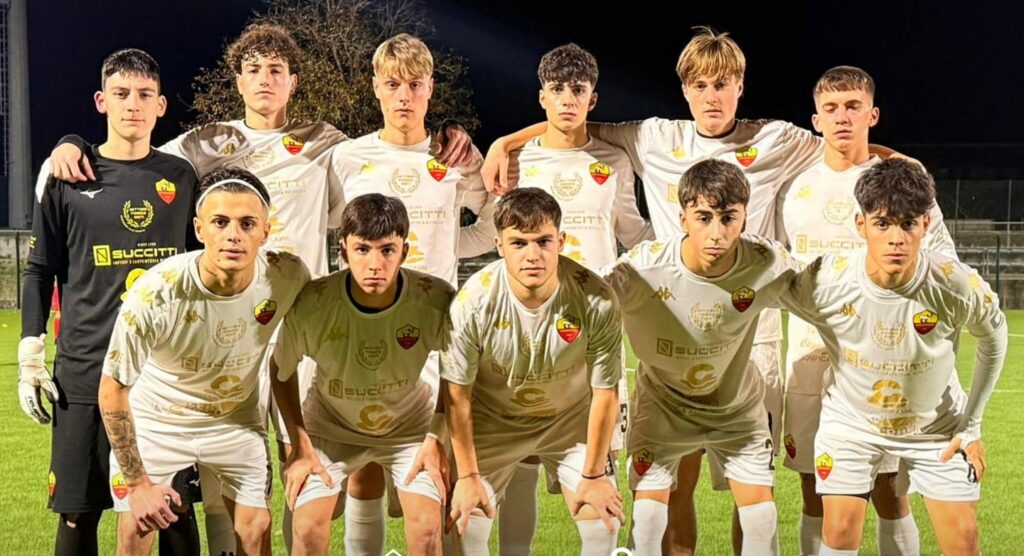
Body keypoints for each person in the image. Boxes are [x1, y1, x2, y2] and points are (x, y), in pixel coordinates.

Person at [47, 25, 476, 553]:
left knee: (305, 463)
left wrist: (446, 134)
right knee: (228, 465)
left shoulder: (327, 143)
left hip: (308, 321)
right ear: (238, 80)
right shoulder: (207, 142)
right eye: (253, 70)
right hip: (236, 321)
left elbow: (387, 173)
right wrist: (71, 146)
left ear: (293, 81)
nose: (265, 80)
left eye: (276, 70)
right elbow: (135, 152)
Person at [18, 48, 199, 556]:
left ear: (161, 105)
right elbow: (39, 269)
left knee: (174, 507)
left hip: (163, 372)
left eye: (144, 94)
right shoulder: (66, 175)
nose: (132, 105)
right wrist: (30, 354)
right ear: (102, 101)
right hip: (84, 369)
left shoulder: (181, 176)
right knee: (78, 512)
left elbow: (198, 269)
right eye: (121, 94)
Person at [782, 159, 1007, 555]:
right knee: (839, 529)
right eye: (883, 223)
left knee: (964, 538)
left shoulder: (956, 283)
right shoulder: (826, 280)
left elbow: (995, 339)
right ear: (861, 225)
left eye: (908, 224)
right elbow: (762, 288)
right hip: (851, 424)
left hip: (937, 425)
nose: (896, 239)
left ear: (926, 225)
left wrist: (972, 425)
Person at [777, 65, 959, 555]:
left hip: (883, 357)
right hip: (809, 354)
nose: (842, 117)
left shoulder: (901, 178)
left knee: (889, 490)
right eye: (831, 108)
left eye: (853, 106)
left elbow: (944, 261)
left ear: (872, 115)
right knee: (815, 487)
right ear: (816, 120)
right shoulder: (792, 185)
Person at [327, 33, 495, 554]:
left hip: (435, 339)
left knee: (436, 477)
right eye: (393, 84)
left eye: (415, 85)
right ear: (376, 87)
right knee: (364, 472)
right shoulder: (347, 158)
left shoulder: (455, 157)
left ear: (430, 89)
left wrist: (451, 247)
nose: (404, 95)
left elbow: (491, 226)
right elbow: (327, 231)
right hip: (361, 332)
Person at [98, 168, 309, 556]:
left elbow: (290, 358)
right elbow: (112, 389)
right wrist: (139, 485)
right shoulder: (156, 293)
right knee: (135, 530)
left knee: (256, 529)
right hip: (159, 421)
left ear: (266, 231)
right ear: (199, 229)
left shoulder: (288, 276)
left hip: (235, 420)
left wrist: (302, 443)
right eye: (220, 222)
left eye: (247, 224)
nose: (234, 235)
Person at [493, 42, 652, 554]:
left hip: (595, 334)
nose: (567, 99)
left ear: (593, 98)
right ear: (542, 97)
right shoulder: (517, 163)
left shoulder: (614, 161)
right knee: (520, 464)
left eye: (578, 90)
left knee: (599, 467)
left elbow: (633, 233)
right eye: (557, 89)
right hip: (525, 333)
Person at [605, 159, 801, 556]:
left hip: (735, 408)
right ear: (683, 219)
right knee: (648, 519)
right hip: (662, 406)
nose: (717, 233)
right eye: (704, 218)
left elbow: (825, 297)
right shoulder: (644, 268)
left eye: (728, 218)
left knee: (761, 518)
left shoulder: (766, 262)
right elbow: (585, 298)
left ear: (744, 218)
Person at [271, 193, 455, 556]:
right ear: (343, 251)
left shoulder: (436, 299)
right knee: (307, 528)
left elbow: (460, 370)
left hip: (408, 427)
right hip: (330, 426)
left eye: (387, 250)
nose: (375, 264)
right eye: (362, 250)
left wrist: (436, 436)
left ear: (404, 251)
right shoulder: (313, 304)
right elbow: (280, 369)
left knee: (427, 530)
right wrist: (299, 441)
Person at [443, 187, 624, 555]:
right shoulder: (472, 302)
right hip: (494, 422)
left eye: (543, 241)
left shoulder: (596, 298)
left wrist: (593, 476)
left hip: (568, 421)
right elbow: (457, 397)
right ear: (499, 245)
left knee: (602, 520)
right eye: (519, 243)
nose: (533, 255)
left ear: (561, 241)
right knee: (463, 525)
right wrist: (468, 476)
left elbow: (606, 392)